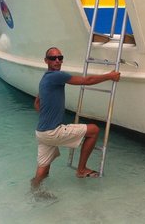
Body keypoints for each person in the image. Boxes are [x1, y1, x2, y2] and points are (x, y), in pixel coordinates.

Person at [31, 47, 120, 188]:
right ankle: (82, 170)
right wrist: (109, 76)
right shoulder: (57, 76)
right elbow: (87, 80)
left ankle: (35, 190)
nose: (57, 61)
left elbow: (37, 104)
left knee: (43, 169)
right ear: (46, 60)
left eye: (60, 57)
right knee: (94, 130)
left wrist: (49, 115)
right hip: (53, 131)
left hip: (41, 133)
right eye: (53, 58)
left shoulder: (45, 79)